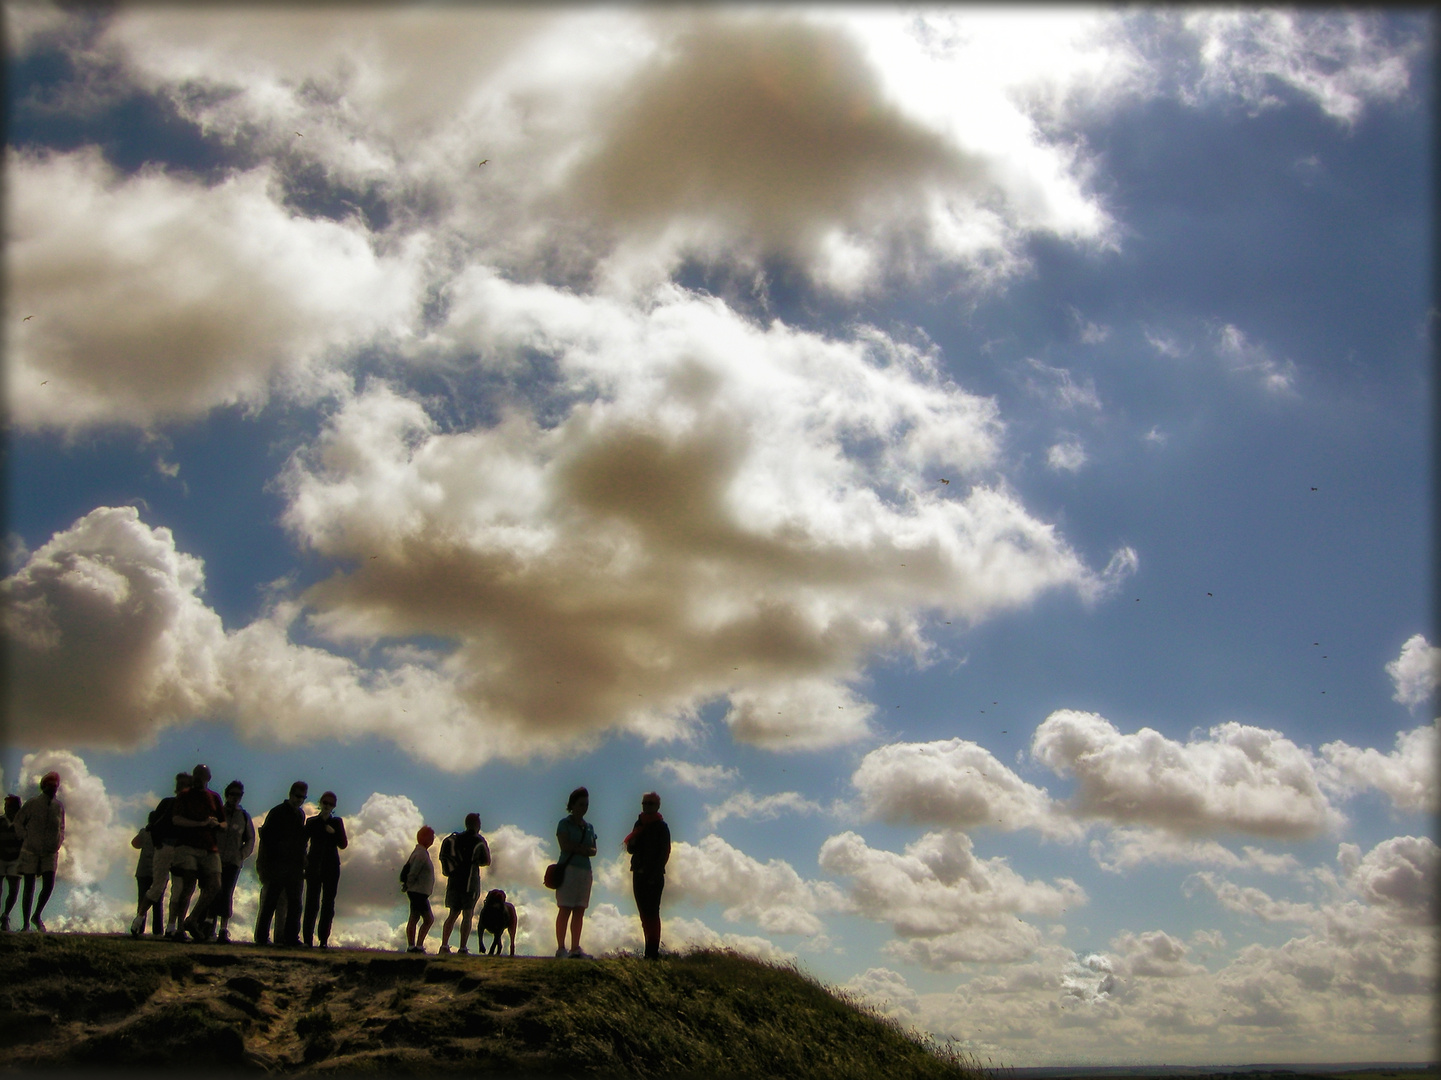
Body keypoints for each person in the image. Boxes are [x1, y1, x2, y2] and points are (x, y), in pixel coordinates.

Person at [169, 763, 225, 941]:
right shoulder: (184, 796)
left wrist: (216, 824)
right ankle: (179, 928)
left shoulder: (214, 798)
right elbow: (177, 819)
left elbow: (224, 823)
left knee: (215, 884)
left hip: (209, 847)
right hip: (187, 846)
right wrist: (200, 824)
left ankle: (192, 919)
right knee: (188, 885)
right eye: (197, 775)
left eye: (203, 775)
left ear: (208, 778)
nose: (199, 779)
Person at [131, 773, 190, 938]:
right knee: (158, 887)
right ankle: (139, 919)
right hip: (166, 847)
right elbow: (153, 825)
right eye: (182, 784)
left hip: (178, 849)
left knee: (177, 889)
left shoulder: (186, 806)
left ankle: (170, 926)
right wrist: (159, 844)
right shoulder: (169, 803)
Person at [255, 781, 308, 946]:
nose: (300, 800)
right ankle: (262, 937)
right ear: (290, 794)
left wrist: (302, 859)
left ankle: (291, 937)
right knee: (271, 901)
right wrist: (266, 865)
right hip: (277, 865)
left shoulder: (300, 815)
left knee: (295, 904)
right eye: (298, 796)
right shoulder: (277, 812)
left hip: (294, 866)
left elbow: (300, 841)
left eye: (303, 797)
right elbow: (266, 838)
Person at [14, 771, 65, 932]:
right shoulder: (33, 803)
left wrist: (58, 841)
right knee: (29, 887)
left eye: (55, 785)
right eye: (50, 784)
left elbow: (62, 827)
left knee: (49, 884)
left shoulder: (58, 807)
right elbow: (18, 823)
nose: (53, 787)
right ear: (43, 786)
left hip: (50, 851)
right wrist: (25, 838)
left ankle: (37, 915)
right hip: (30, 851)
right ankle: (25, 924)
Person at [624, 791, 671, 960]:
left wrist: (654, 874)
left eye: (650, 803)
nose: (646, 806)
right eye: (644, 803)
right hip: (638, 873)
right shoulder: (639, 823)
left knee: (652, 913)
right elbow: (631, 849)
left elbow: (664, 853)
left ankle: (652, 952)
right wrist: (633, 843)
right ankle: (648, 952)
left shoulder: (661, 826)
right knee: (644, 914)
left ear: (657, 806)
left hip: (654, 876)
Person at [437, 814, 491, 955]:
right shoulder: (479, 841)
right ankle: (462, 948)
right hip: (470, 882)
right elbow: (487, 861)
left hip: (454, 881)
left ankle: (444, 945)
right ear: (477, 824)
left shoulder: (456, 838)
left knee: (453, 914)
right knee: (468, 915)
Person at [554, 786, 597, 959]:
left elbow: (594, 850)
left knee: (580, 909)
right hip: (569, 870)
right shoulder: (564, 823)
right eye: (581, 804)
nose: (584, 808)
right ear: (572, 805)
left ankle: (575, 948)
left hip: (585, 872)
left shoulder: (589, 827)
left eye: (586, 804)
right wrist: (584, 849)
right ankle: (561, 948)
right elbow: (565, 845)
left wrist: (581, 849)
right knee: (565, 908)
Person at [211, 780, 255, 943]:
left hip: (233, 862)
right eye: (232, 794)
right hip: (214, 860)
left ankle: (223, 928)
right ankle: (209, 926)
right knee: (213, 891)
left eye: (239, 795)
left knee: (227, 893)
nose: (235, 797)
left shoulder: (243, 816)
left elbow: (250, 838)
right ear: (227, 794)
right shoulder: (218, 812)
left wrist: (241, 855)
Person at [302, 791, 347, 948]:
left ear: (333, 806)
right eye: (325, 803)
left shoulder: (337, 823)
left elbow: (343, 844)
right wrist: (305, 860)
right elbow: (303, 842)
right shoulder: (312, 822)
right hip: (314, 866)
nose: (327, 806)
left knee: (328, 904)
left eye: (330, 804)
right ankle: (307, 940)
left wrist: (334, 833)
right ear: (320, 803)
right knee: (311, 904)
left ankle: (323, 940)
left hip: (331, 867)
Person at [401, 825, 436, 954]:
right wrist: (408, 884)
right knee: (428, 919)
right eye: (431, 837)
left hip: (418, 891)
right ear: (424, 838)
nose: (432, 840)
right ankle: (417, 946)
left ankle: (413, 946)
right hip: (418, 892)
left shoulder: (420, 853)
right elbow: (413, 872)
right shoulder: (420, 854)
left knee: (414, 917)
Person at [130, 818, 163, 937]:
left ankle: (139, 928)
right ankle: (158, 930)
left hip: (143, 871)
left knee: (142, 900)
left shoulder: (144, 832)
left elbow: (134, 844)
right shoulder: (162, 834)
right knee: (157, 901)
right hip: (157, 871)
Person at [0, 796, 22, 931]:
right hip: (1, 858)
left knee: (14, 890)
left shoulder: (22, 824)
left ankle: (5, 915)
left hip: (16, 859)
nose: (6, 809)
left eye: (9, 806)